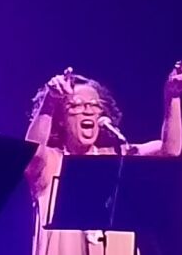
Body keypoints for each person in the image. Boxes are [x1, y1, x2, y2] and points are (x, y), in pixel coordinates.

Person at [25, 65, 182, 255]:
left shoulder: (117, 157)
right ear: (61, 119)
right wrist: (50, 102)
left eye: (94, 105)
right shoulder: (52, 162)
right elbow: (30, 153)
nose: (88, 110)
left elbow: (170, 149)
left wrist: (172, 97)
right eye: (76, 105)